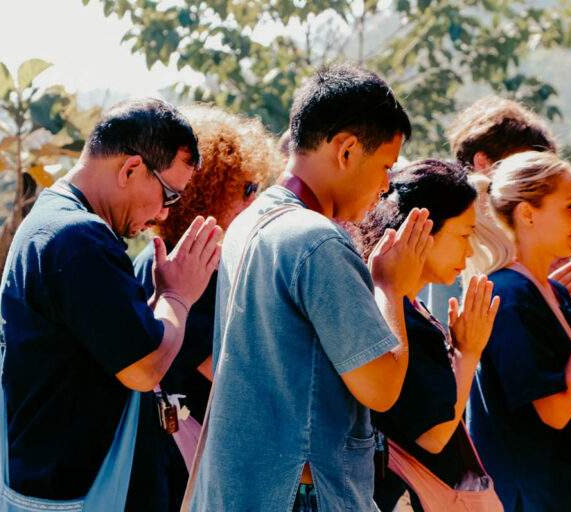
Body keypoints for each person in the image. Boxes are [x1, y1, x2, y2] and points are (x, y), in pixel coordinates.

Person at [186, 65, 432, 511]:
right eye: (385, 167)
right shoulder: (317, 241)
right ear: (347, 150)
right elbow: (381, 386)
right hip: (302, 495)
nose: (384, 187)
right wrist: (390, 287)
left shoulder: (248, 221)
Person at [0, 99, 223, 510]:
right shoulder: (79, 239)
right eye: (169, 195)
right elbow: (144, 368)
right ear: (130, 169)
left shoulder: (53, 220)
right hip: (67, 499)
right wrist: (179, 296)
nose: (164, 213)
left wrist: (161, 299)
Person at [465, 151, 571, 511]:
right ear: (527, 213)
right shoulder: (507, 297)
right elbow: (555, 412)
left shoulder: (553, 291)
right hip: (535, 496)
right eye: (570, 208)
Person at [129, 106, 283, 511]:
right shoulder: (179, 265)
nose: (257, 200)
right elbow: (230, 373)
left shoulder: (185, 258)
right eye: (248, 189)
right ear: (208, 190)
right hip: (179, 461)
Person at [356, 159, 503, 511]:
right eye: (464, 235)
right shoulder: (399, 315)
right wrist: (467, 353)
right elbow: (434, 435)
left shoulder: (398, 305)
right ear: (422, 228)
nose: (468, 252)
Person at [422, 97, 571, 321]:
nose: (531, 187)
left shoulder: (529, 233)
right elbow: (449, 334)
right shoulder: (449, 234)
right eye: (523, 171)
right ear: (483, 163)